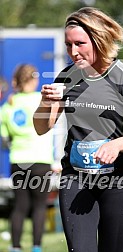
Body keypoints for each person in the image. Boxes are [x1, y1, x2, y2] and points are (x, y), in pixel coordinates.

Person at [33, 7, 123, 252]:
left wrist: (116, 145)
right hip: (76, 179)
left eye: (79, 43)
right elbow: (42, 128)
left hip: (120, 181)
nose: (73, 52)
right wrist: (45, 102)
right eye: (68, 45)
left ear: (98, 39)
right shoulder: (66, 77)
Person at [1, 64, 54, 252]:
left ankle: (15, 247)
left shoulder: (9, 105)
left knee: (20, 206)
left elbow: (5, 138)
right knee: (39, 206)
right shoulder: (41, 100)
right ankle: (36, 247)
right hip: (41, 159)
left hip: (18, 160)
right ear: (34, 79)